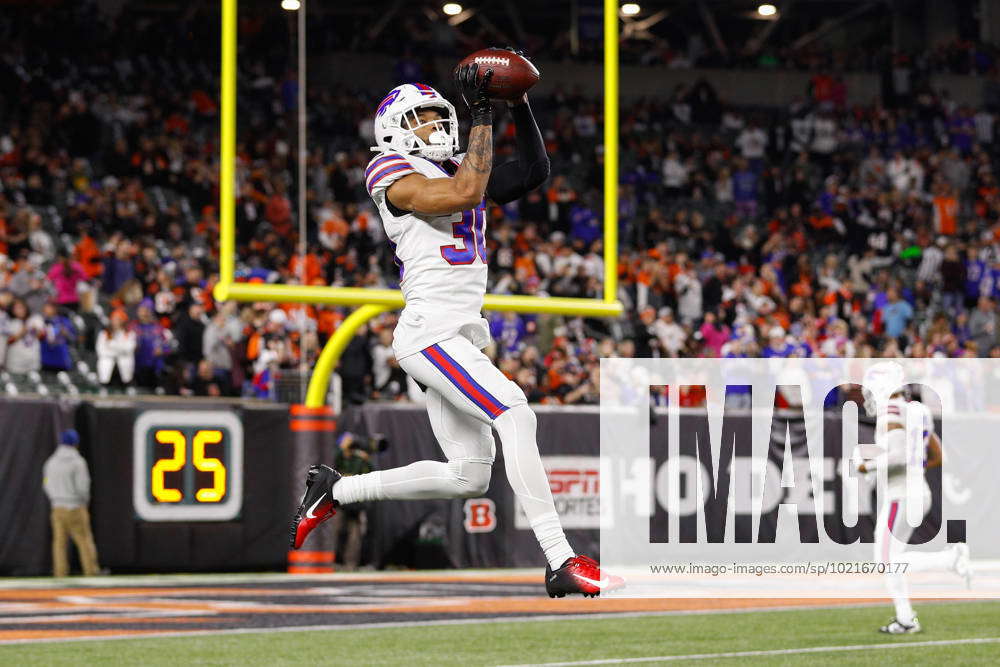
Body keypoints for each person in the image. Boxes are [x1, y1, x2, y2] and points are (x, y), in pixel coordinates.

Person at [291, 55, 622, 597]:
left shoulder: (458, 167)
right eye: (424, 117)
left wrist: (517, 105)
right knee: (515, 412)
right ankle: (560, 558)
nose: (439, 125)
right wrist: (483, 117)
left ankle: (338, 491)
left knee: (469, 474)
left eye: (442, 115)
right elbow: (465, 194)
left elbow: (533, 172)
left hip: (458, 332)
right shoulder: (389, 170)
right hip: (431, 330)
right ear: (395, 129)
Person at [857, 362, 970, 634]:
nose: (869, 395)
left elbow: (896, 457)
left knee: (885, 560)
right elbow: (937, 455)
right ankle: (905, 619)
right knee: (890, 559)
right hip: (916, 491)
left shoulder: (891, 412)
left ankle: (951, 558)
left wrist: (866, 465)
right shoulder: (917, 411)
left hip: (902, 495)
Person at [42, 429, 100, 577]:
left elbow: (46, 484)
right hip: (75, 507)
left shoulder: (51, 462)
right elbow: (83, 486)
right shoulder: (78, 462)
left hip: (57, 507)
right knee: (84, 541)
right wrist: (83, 501)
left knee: (59, 544)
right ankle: (91, 572)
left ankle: (60, 573)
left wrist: (55, 499)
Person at [330, 432, 374, 570]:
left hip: (355, 501)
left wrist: (366, 459)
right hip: (338, 501)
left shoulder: (359, 459)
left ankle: (351, 564)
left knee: (355, 534)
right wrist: (342, 449)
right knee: (335, 531)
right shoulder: (337, 457)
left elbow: (370, 474)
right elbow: (331, 463)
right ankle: (333, 561)